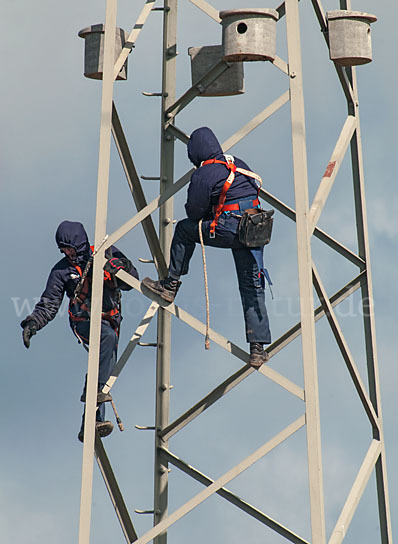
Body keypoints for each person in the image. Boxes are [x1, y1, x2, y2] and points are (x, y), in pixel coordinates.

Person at [143, 126, 271, 368]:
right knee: (252, 285)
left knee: (183, 229)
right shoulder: (238, 162)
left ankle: (170, 285)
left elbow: (194, 211)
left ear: (196, 152)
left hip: (230, 228)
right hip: (255, 228)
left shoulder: (205, 173)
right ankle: (258, 348)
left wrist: (212, 209)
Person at [20, 220, 138, 441]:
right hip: (83, 320)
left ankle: (91, 422)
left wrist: (122, 267)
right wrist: (32, 323)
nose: (66, 252)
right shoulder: (61, 271)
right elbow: (49, 304)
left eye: (69, 248)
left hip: (109, 319)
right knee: (106, 338)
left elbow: (132, 281)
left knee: (105, 364)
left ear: (79, 244)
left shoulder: (104, 253)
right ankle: (92, 398)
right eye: (62, 249)